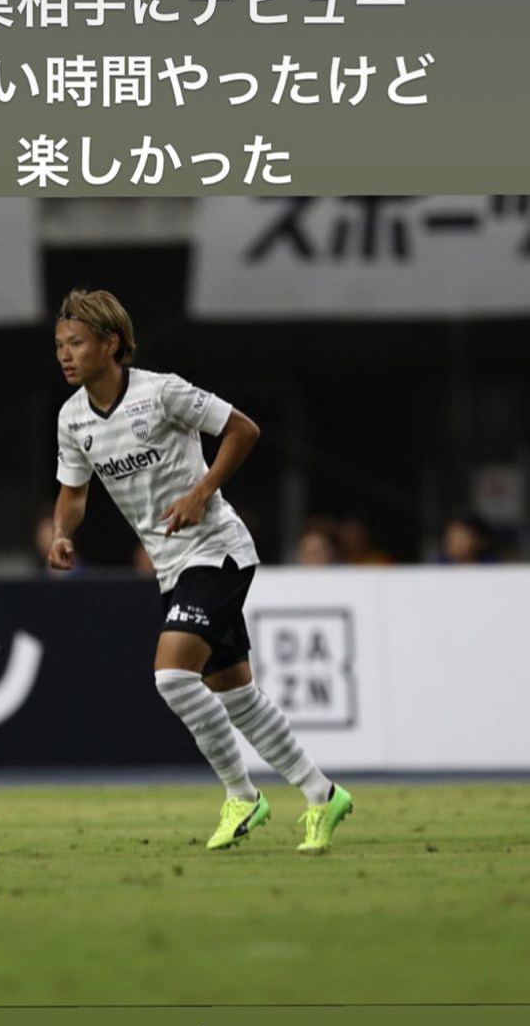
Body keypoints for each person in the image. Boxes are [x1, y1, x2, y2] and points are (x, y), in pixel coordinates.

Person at [50, 289, 352, 855]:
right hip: (173, 569)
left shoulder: (162, 392)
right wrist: (62, 533)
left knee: (171, 677)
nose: (65, 354)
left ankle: (242, 796)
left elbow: (244, 430)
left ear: (111, 344)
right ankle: (322, 794)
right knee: (238, 697)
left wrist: (201, 492)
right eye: (60, 345)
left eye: (77, 343)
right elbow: (73, 492)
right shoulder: (72, 419)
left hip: (218, 551)